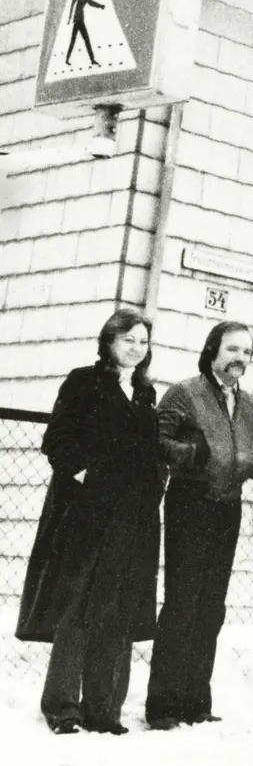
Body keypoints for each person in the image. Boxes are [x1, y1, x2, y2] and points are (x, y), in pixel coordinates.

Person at [16, 309, 163, 735]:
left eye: (142, 341)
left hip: (131, 520)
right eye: (128, 339)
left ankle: (104, 710)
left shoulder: (143, 393)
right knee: (77, 607)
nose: (136, 348)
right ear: (109, 341)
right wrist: (86, 476)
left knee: (116, 610)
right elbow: (57, 438)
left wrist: (154, 484)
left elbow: (148, 452)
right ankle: (63, 708)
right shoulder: (83, 381)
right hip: (86, 516)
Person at [146, 321, 253, 730]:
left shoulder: (247, 402)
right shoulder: (185, 392)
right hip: (189, 505)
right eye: (233, 350)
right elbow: (154, 441)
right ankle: (163, 705)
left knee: (212, 606)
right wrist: (192, 455)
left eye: (247, 353)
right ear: (213, 350)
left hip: (227, 508)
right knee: (182, 603)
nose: (241, 359)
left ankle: (196, 701)